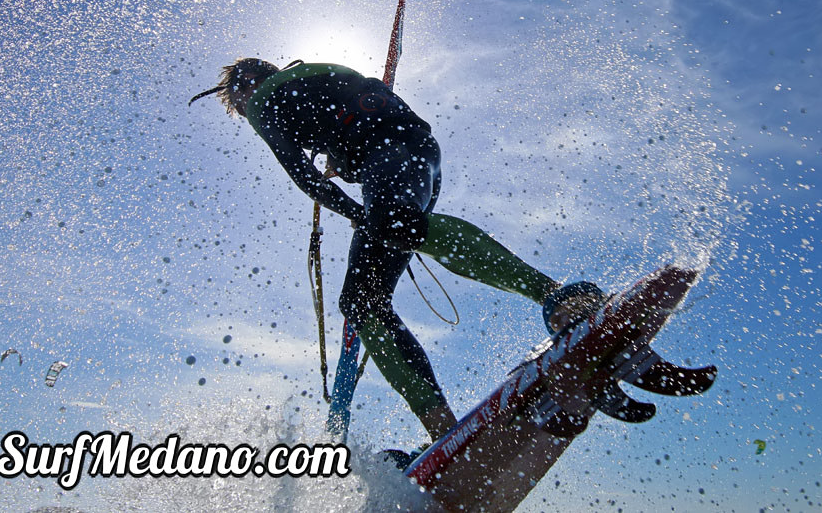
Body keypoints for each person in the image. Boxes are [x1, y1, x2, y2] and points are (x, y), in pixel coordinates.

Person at [190, 58, 606, 442]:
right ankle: (444, 432)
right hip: (411, 159)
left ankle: (560, 297)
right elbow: (357, 113)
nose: (250, 119)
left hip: (390, 153)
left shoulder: (265, 97)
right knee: (361, 302)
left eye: (241, 111)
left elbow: (305, 177)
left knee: (391, 226)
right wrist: (342, 159)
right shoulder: (310, 82)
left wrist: (354, 208)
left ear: (245, 88)